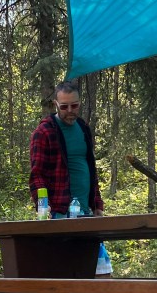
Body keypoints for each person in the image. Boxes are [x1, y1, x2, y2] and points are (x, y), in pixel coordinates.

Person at [29, 80, 104, 218]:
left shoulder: (83, 127)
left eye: (74, 105)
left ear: (79, 103)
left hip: (86, 211)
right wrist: (43, 207)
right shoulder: (44, 132)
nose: (70, 110)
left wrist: (97, 204)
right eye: (64, 106)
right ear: (55, 104)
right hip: (59, 213)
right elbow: (37, 175)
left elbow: (91, 169)